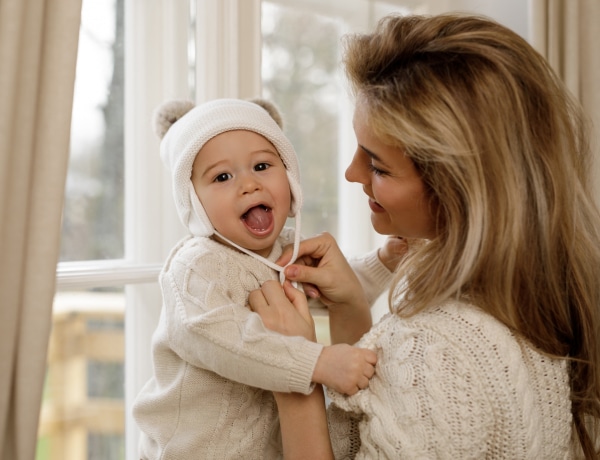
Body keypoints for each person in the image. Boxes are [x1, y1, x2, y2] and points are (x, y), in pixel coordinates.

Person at [249, 13, 600, 459]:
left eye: (377, 165)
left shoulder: (432, 352)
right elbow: (378, 431)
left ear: (457, 188)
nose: (352, 172)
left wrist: (291, 368)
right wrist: (352, 305)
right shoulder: (539, 304)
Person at [132, 97, 398, 459]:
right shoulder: (195, 267)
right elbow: (221, 338)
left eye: (261, 165)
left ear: (290, 180)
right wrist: (317, 362)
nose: (249, 185)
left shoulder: (287, 250)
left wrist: (384, 260)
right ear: (194, 203)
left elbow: (335, 287)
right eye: (222, 177)